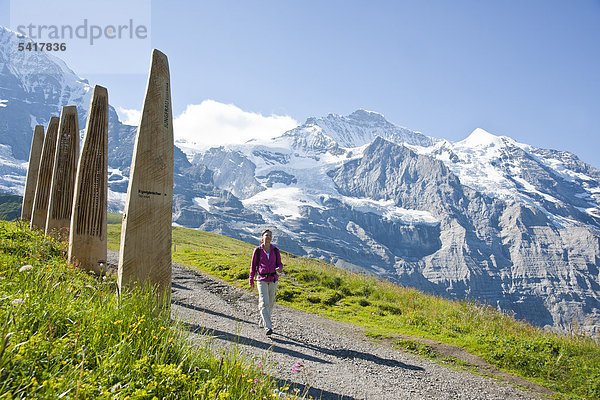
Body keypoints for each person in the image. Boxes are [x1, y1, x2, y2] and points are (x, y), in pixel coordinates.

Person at [249, 229, 283, 336]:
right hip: (261, 279)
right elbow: (253, 266)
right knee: (264, 302)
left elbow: (280, 264)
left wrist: (280, 268)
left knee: (271, 302)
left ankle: (263, 320)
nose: (268, 237)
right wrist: (251, 279)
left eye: (270, 236)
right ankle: (268, 327)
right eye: (266, 235)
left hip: (273, 279)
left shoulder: (275, 250)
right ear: (262, 237)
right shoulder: (257, 251)